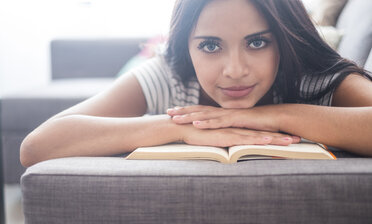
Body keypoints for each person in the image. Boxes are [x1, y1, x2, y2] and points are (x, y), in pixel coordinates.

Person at [20, 0, 372, 167]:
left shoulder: (311, 75)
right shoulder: (170, 73)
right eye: (209, 46)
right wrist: (181, 128)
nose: (234, 70)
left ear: (283, 40)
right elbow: (36, 147)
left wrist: (275, 115)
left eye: (257, 42)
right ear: (187, 47)